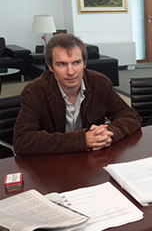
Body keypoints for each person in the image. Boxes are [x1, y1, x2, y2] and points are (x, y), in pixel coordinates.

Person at [13, 34, 142, 154]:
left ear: (84, 63)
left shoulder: (100, 83)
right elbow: (22, 140)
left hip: (92, 161)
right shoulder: (34, 91)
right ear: (50, 67)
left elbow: (131, 117)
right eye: (62, 64)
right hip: (54, 164)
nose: (71, 71)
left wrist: (107, 134)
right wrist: (82, 140)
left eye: (76, 63)